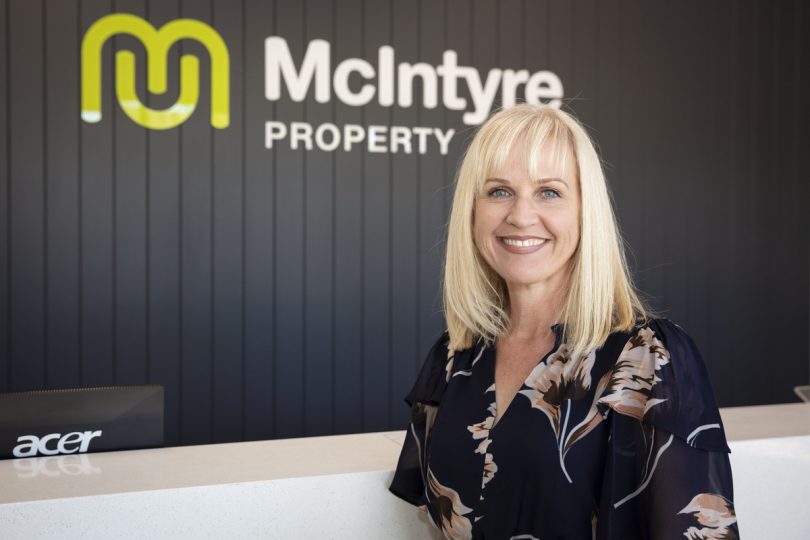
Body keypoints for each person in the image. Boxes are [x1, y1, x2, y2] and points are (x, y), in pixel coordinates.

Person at [388, 104, 739, 539]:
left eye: (549, 192)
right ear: (471, 210)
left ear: (585, 211)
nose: (520, 215)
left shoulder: (647, 359)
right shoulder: (453, 356)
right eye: (499, 191)